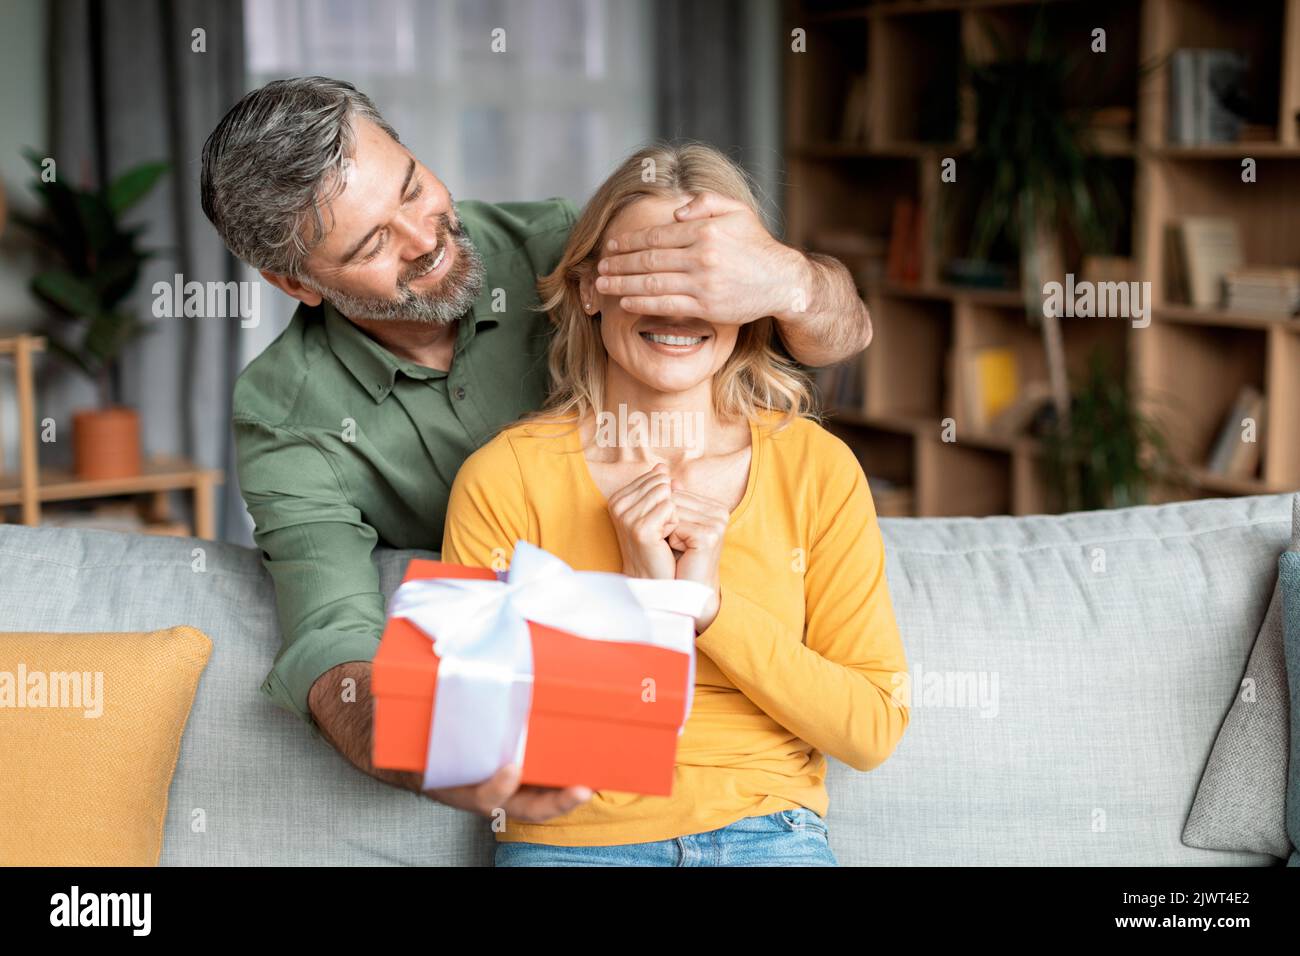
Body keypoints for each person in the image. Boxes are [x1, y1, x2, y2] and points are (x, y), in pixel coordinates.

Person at [201, 76, 876, 825]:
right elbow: (332, 642)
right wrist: (446, 753)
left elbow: (832, 337)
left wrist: (793, 282)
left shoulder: (572, 249)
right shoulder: (288, 415)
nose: (424, 239)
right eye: (372, 244)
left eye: (413, 188)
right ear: (295, 282)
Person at [441, 143, 909, 865]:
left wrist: (708, 612)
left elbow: (872, 730)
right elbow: (470, 747)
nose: (676, 306)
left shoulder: (817, 467)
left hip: (771, 836)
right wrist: (641, 609)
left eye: (703, 278)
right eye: (649, 271)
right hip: (578, 843)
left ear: (749, 298)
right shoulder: (503, 477)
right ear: (591, 287)